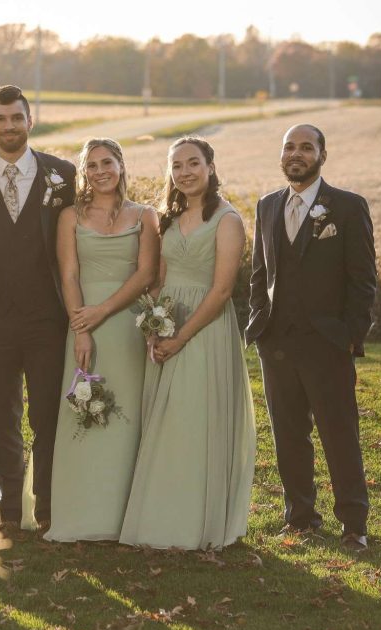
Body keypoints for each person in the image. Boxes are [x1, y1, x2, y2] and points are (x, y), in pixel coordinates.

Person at [119, 136, 256, 551]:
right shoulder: (169, 218)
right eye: (176, 165)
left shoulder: (227, 220)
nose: (185, 172)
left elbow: (222, 290)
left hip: (204, 329)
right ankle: (162, 514)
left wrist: (181, 337)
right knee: (166, 421)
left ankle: (196, 522)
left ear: (210, 167)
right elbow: (159, 278)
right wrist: (153, 327)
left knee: (196, 419)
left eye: (193, 163)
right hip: (167, 323)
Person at [246, 124, 377, 552]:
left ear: (322, 154)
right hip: (276, 343)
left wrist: (351, 335)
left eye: (306, 147)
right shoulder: (267, 206)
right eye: (289, 146)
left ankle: (354, 523)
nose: (296, 154)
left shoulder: (347, 206)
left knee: (339, 434)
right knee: (288, 435)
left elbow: (363, 279)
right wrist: (259, 323)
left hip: (328, 343)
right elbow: (260, 273)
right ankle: (300, 517)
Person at [0, 85, 76, 532]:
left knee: (46, 415)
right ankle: (11, 505)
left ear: (31, 121)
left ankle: (46, 504)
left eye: (16, 118)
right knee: (2, 417)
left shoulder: (62, 174)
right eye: (0, 118)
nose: (8, 126)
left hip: (48, 318)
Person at [45, 139, 159, 543]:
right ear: (84, 172)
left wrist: (104, 311)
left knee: (127, 415)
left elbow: (146, 275)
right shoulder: (69, 217)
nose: (99, 171)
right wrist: (82, 328)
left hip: (126, 325)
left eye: (106, 162)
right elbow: (69, 275)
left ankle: (120, 515)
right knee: (83, 410)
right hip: (83, 325)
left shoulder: (145, 216)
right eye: (91, 165)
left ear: (121, 165)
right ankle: (81, 511)